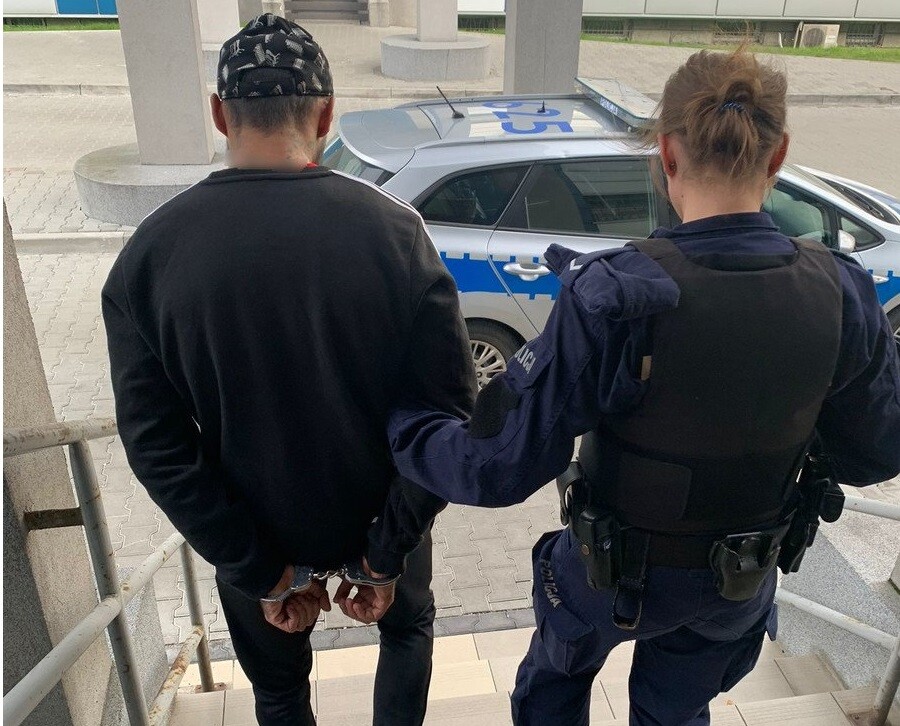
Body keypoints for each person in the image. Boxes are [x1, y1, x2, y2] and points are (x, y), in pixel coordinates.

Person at [388, 48, 900, 725]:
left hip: (607, 577)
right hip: (738, 582)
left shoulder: (618, 294)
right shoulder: (843, 290)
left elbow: (498, 467)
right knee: (675, 714)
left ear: (666, 154)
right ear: (778, 157)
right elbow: (877, 452)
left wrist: (405, 427)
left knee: (551, 691)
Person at [102, 14, 473, 726]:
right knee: (408, 633)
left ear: (220, 115)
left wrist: (258, 569)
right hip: (384, 516)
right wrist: (384, 554)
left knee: (277, 693)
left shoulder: (149, 256)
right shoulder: (396, 234)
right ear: (327, 115)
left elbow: (155, 444)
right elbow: (449, 412)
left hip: (251, 530)